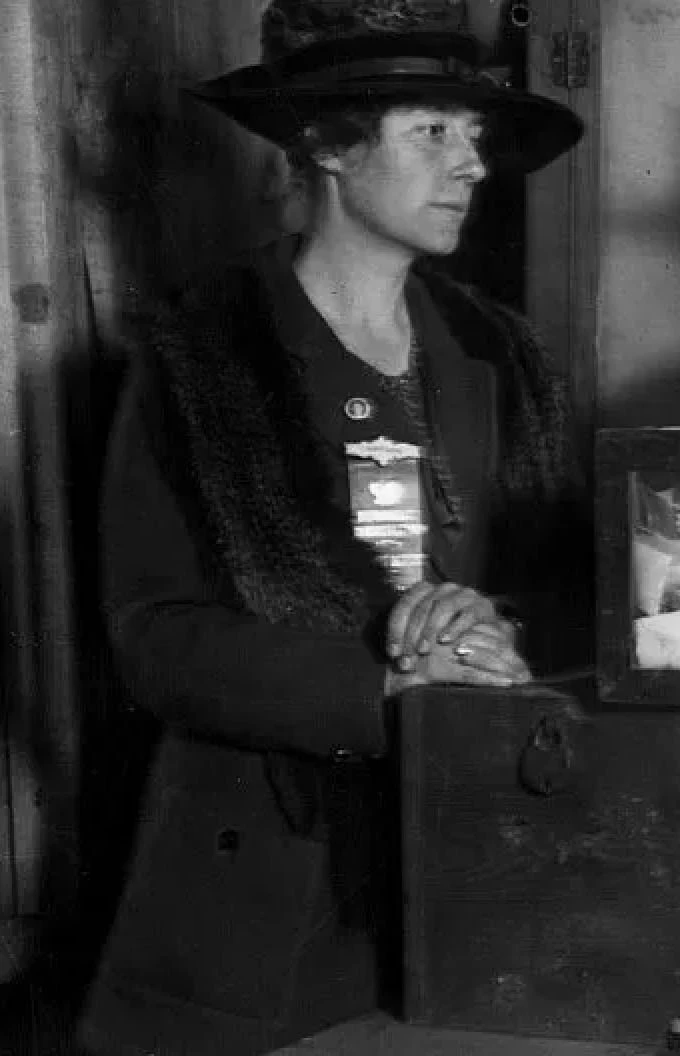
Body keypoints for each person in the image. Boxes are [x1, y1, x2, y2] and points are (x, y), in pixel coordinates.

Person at [77, 2, 586, 1054]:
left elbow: (571, 587)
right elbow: (155, 637)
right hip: (270, 875)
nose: (471, 165)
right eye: (431, 132)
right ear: (326, 147)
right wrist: (385, 685)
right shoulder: (200, 356)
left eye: (475, 135)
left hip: (489, 837)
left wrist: (482, 633)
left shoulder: (501, 351)